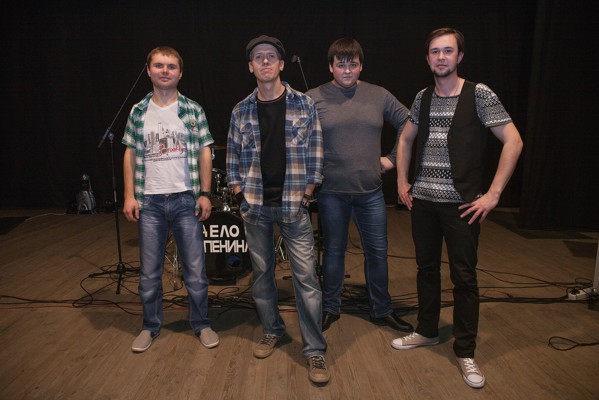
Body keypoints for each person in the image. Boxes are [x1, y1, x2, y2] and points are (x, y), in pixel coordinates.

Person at [392, 28, 523, 389]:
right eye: (435, 52)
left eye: (448, 51)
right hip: (423, 203)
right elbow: (405, 139)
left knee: (464, 278)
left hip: (462, 206)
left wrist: (493, 194)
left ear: (460, 56)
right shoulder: (422, 97)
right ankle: (427, 330)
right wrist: (402, 181)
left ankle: (465, 350)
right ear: (428, 58)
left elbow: (513, 140)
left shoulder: (479, 94)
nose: (441, 57)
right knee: (426, 269)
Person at [226, 35, 329, 384]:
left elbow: (316, 148)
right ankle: (273, 329)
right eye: (259, 57)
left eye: (271, 56)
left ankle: (314, 350)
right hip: (256, 206)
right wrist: (239, 190)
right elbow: (232, 155)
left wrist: (308, 190)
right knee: (261, 275)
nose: (265, 62)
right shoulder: (240, 110)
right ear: (251, 66)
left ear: (282, 64)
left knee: (306, 279)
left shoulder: (304, 104)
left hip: (293, 206)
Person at [306, 38, 413, 333]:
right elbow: (296, 136)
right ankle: (330, 308)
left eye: (352, 64)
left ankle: (382, 310)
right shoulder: (313, 98)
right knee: (333, 252)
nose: (347, 70)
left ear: (361, 66)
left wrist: (392, 158)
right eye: (340, 64)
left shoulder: (378, 95)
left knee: (377, 253)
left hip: (371, 193)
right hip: (332, 193)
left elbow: (409, 121)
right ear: (331, 67)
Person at [122, 46, 219, 352]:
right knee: (149, 273)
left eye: (171, 66)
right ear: (148, 70)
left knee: (195, 271)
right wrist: (129, 195)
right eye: (159, 65)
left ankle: (201, 323)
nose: (165, 71)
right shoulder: (138, 111)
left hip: (185, 200)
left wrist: (205, 193)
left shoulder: (193, 110)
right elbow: (130, 153)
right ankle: (150, 326)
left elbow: (205, 151)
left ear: (180, 73)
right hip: (149, 202)